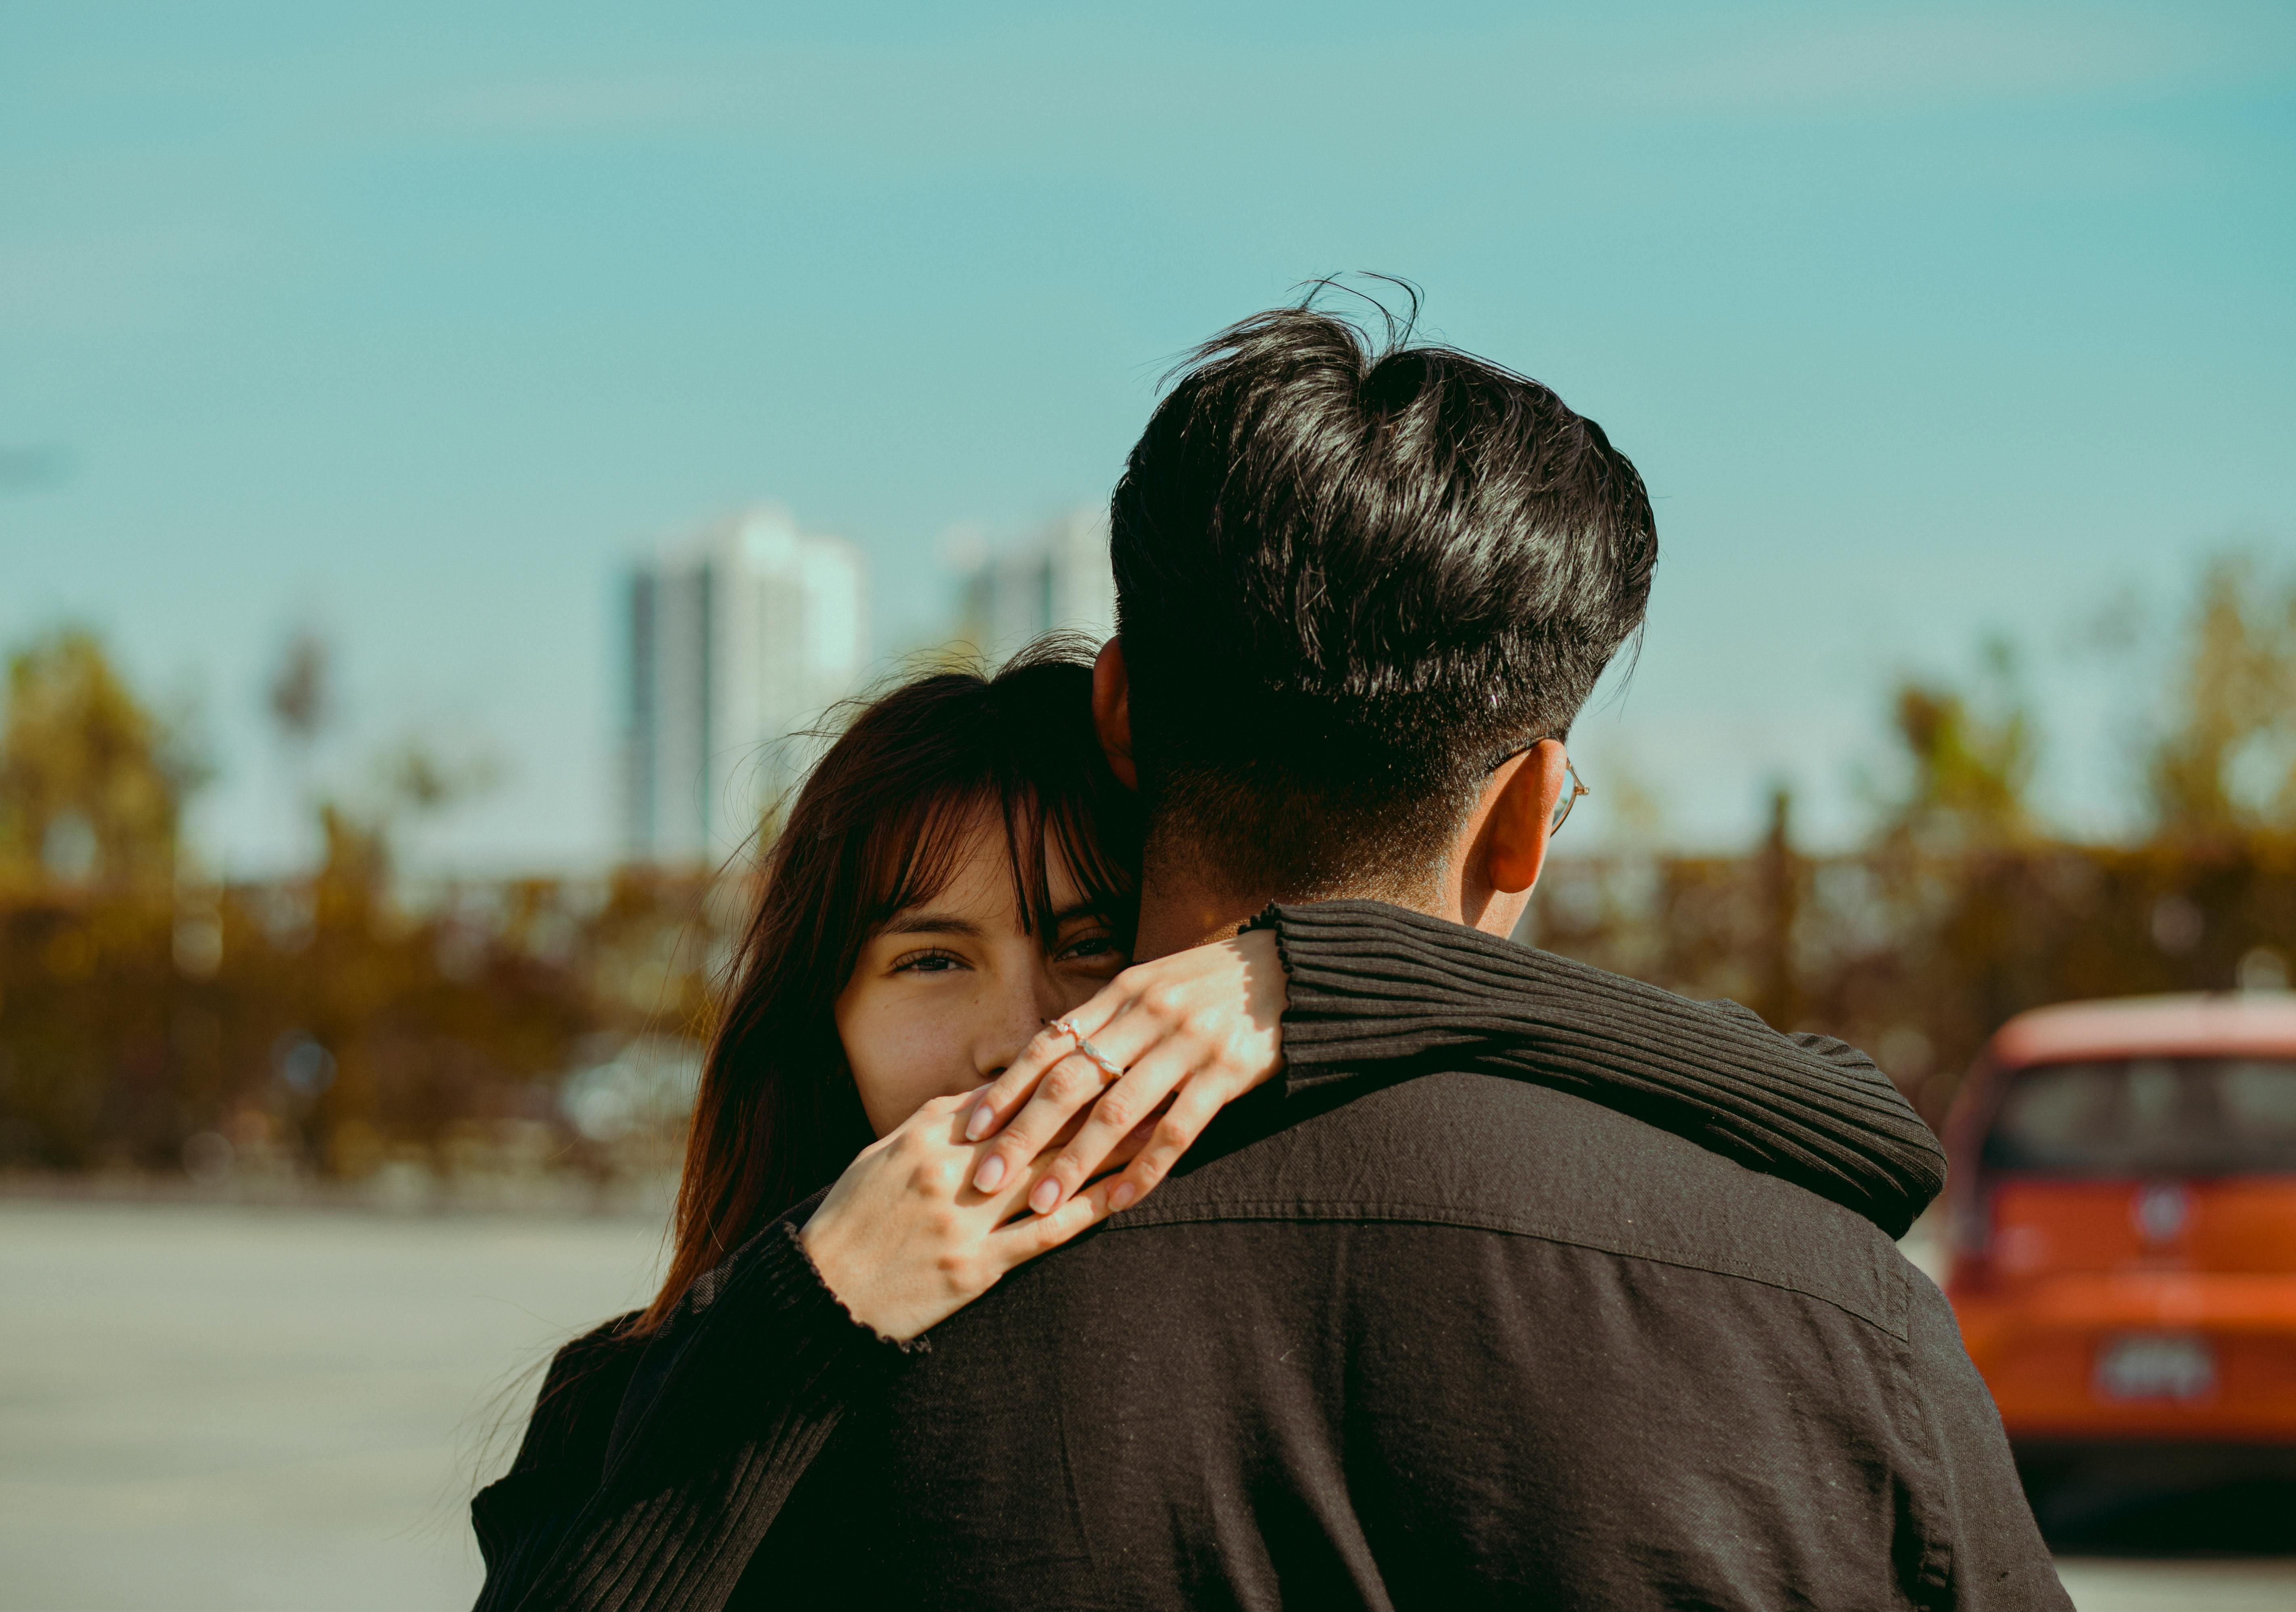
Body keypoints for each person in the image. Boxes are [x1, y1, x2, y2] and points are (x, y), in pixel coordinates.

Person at [475, 301, 2044, 1610]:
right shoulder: (1837, 1319)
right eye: (930, 959)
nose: (1017, 1038)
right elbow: (1877, 1144)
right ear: (1531, 815)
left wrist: (1329, 976)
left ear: (1122, 718)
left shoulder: (737, 1401)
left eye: (1070, 942)